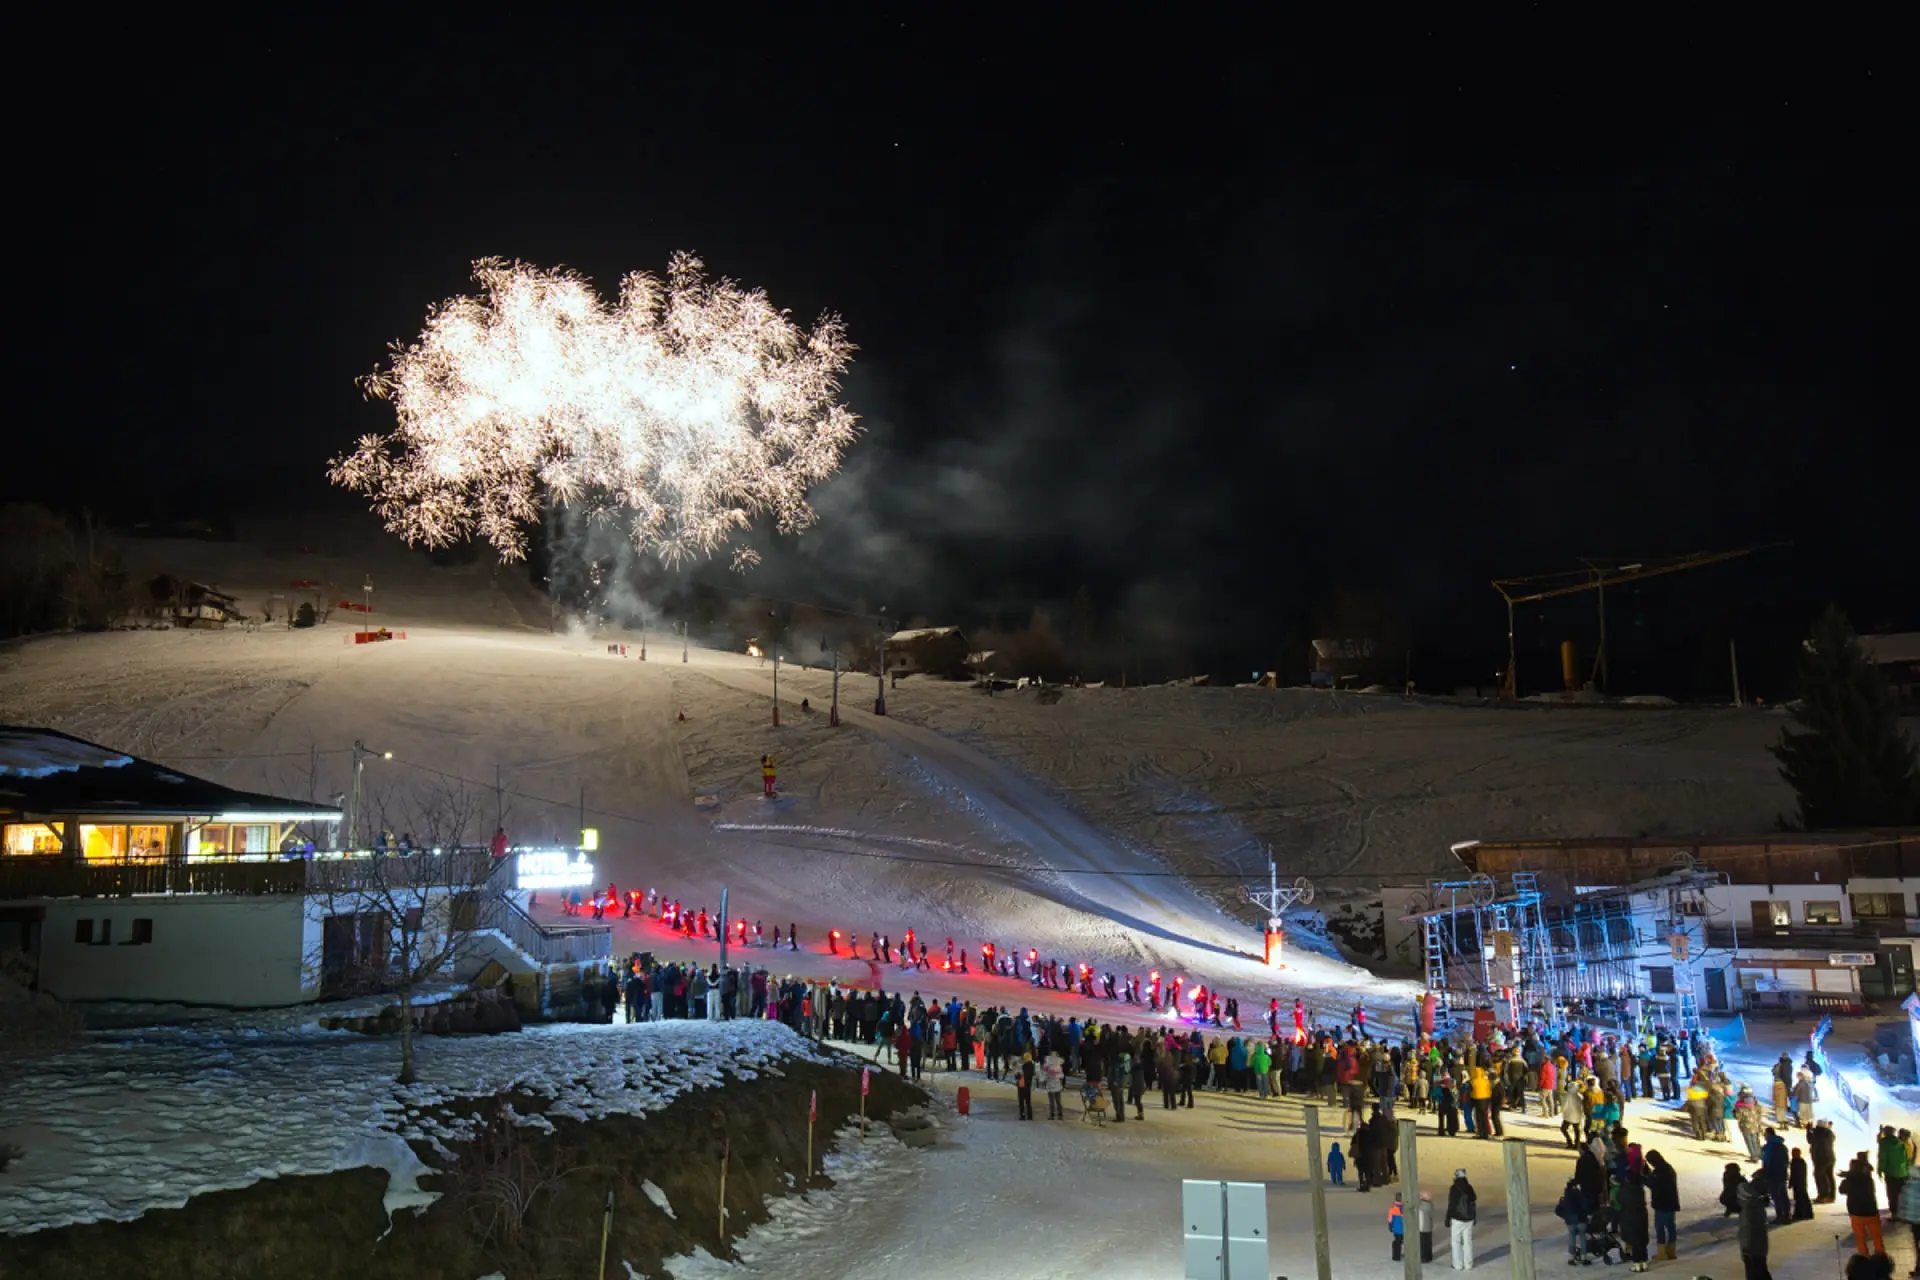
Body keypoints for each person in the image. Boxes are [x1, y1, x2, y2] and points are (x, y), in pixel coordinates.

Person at [1843, 1153, 1886, 1257]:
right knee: (1876, 1236)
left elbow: (1842, 1190)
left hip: (1856, 1213)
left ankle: (1864, 1256)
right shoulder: (1868, 1180)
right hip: (1871, 1212)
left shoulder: (1849, 1180)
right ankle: (1880, 1255)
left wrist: (1848, 1175)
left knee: (1860, 1237)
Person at [1646, 1149, 1680, 1261]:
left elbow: (1653, 1185)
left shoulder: (1659, 1172)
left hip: (1662, 1204)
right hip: (1671, 1203)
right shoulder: (1668, 1168)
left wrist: (1644, 1179)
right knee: (1670, 1226)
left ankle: (1662, 1252)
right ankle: (1671, 1250)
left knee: (1660, 1227)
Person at [1739, 1170, 1774, 1280]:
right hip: (1754, 1248)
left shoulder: (1750, 1204)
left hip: (1752, 1248)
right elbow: (1750, 1228)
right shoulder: (1754, 1206)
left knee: (1756, 1272)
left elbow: (1748, 1228)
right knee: (1758, 1271)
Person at [1618, 1170, 1651, 1272]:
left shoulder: (1625, 1191)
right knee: (1642, 1241)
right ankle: (1644, 1262)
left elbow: (1620, 1200)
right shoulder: (1640, 1191)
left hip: (1630, 1218)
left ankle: (1637, 1264)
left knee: (1635, 1242)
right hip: (1642, 1217)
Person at [1445, 1168, 1477, 1270]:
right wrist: (1474, 1217)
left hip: (1457, 1218)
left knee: (1456, 1242)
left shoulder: (1454, 1188)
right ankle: (1468, 1264)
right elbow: (1473, 1201)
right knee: (1467, 1242)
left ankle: (1457, 1264)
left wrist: (1447, 1218)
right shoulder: (1469, 1188)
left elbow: (1451, 1205)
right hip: (1469, 1218)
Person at [1554, 1176, 1589, 1264]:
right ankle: (1584, 1257)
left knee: (1571, 1238)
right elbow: (1586, 1206)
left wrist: (1565, 1216)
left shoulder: (1565, 1198)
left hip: (1570, 1221)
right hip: (1581, 1220)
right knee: (1583, 1237)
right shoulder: (1581, 1195)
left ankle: (1571, 1258)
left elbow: (1558, 1210)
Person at [1790, 1147, 1814, 1222]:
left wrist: (1792, 1182)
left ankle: (1803, 1213)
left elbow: (1797, 1174)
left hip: (1800, 1183)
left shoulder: (1799, 1162)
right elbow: (1793, 1173)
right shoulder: (1796, 1161)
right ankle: (1801, 1213)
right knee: (1799, 1198)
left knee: (1801, 1198)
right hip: (1799, 1183)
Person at [1043, 1050, 1065, 1119]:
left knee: (1051, 1101)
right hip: (1058, 1085)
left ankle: (1052, 1115)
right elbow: (1062, 1076)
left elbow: (1044, 1075)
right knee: (1058, 1101)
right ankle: (1060, 1114)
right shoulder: (1059, 1066)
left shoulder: (1047, 1066)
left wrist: (1044, 1081)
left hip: (1050, 1086)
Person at [1016, 1051, 1035, 1120]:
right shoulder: (1032, 1066)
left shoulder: (1024, 1066)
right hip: (1027, 1085)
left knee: (1021, 1102)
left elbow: (1020, 1075)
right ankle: (1029, 1115)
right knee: (1028, 1101)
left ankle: (1022, 1115)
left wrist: (1018, 1075)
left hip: (1022, 1085)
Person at [1389, 1193, 1406, 1261]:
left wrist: (1390, 1225)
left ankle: (1396, 1256)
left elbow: (1390, 1218)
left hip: (1398, 1228)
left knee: (1398, 1242)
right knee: (1399, 1242)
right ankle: (1396, 1256)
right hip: (1401, 1228)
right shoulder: (1403, 1207)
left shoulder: (1394, 1208)